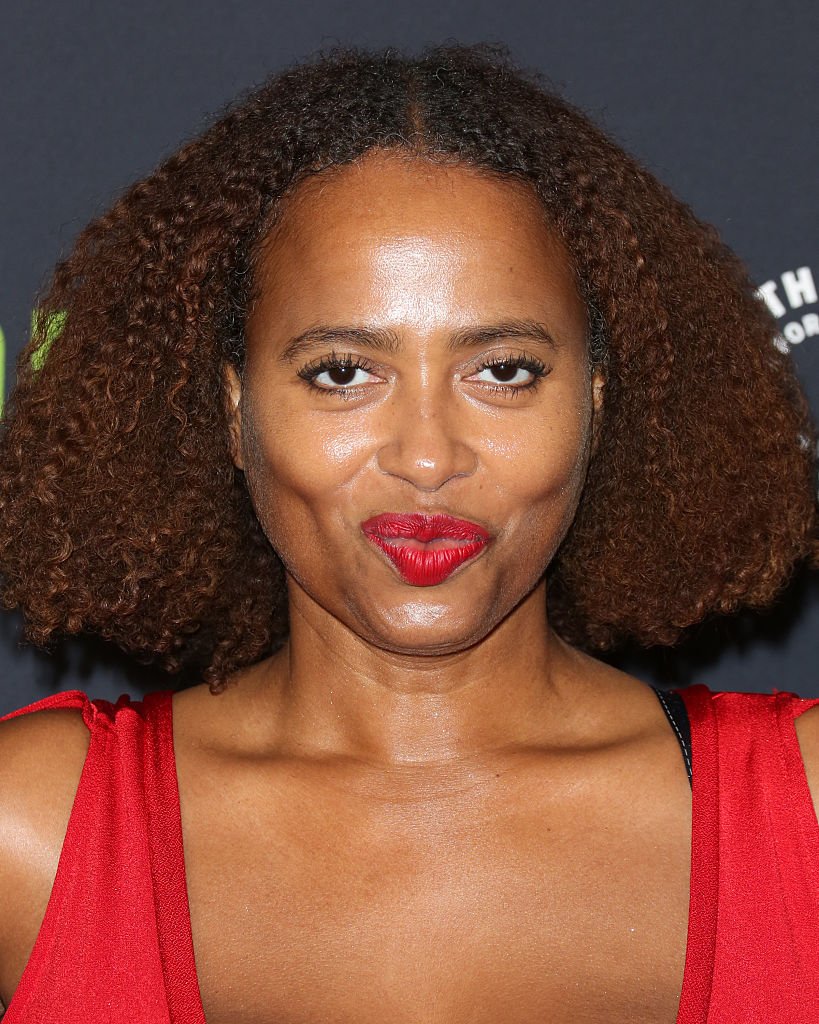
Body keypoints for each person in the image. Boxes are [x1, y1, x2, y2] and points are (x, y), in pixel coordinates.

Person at [0, 41, 816, 1024]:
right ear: (231, 411)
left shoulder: (804, 813)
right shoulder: (31, 836)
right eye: (344, 372)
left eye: (503, 371)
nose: (428, 457)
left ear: (598, 404)